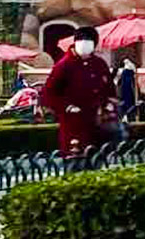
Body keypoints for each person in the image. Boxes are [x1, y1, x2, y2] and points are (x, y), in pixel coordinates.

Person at [41, 26, 115, 157]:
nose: (85, 44)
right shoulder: (64, 65)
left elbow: (109, 89)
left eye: (89, 41)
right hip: (74, 122)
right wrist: (67, 107)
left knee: (96, 158)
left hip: (97, 121)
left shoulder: (99, 64)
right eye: (82, 40)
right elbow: (48, 94)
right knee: (75, 158)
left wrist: (108, 103)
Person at [115, 58, 139, 122]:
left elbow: (117, 82)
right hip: (128, 91)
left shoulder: (124, 72)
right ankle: (129, 116)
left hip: (125, 91)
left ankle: (126, 116)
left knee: (126, 102)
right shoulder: (128, 72)